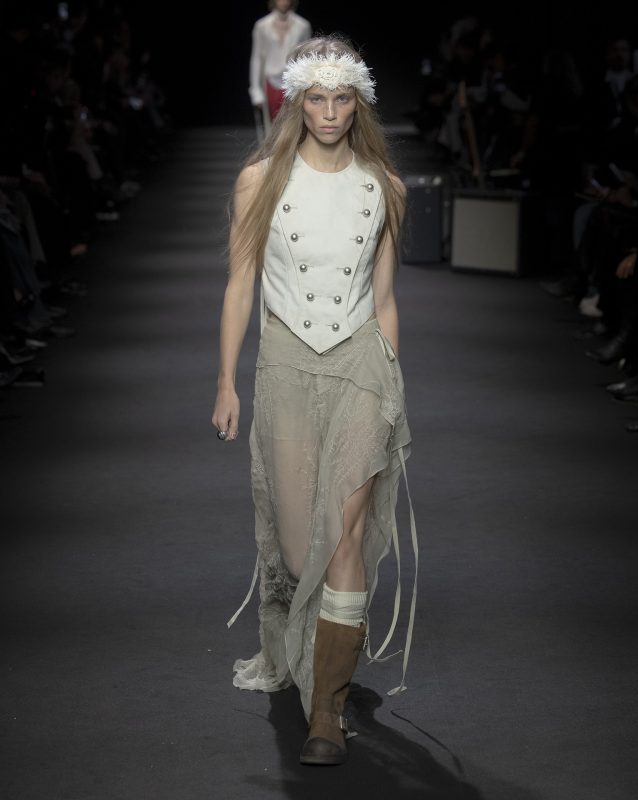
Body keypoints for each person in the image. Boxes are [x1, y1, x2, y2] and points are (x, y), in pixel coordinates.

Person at [212, 34, 418, 766]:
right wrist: (227, 381)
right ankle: (303, 658)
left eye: (342, 98)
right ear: (297, 102)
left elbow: (384, 298)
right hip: (287, 363)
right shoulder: (260, 181)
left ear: (358, 103)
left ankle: (326, 711)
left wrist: (391, 378)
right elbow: (240, 284)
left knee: (346, 538)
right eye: (317, 98)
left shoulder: (384, 187)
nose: (330, 111)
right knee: (303, 551)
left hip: (362, 364)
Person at [248, 0, 312, 136]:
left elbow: (306, 58)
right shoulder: (262, 26)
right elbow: (257, 58)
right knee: (271, 128)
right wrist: (255, 90)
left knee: (291, 126)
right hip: (270, 81)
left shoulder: (303, 26)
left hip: (293, 81)